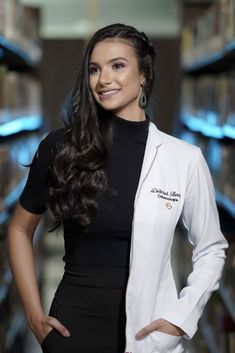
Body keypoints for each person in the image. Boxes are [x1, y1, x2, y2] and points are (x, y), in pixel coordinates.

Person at [7, 23, 228, 353]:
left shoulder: (184, 159)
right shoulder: (60, 148)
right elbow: (19, 230)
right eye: (94, 69)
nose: (103, 79)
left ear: (144, 75)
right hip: (72, 332)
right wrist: (34, 315)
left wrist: (181, 318)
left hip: (150, 336)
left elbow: (211, 248)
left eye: (118, 66)